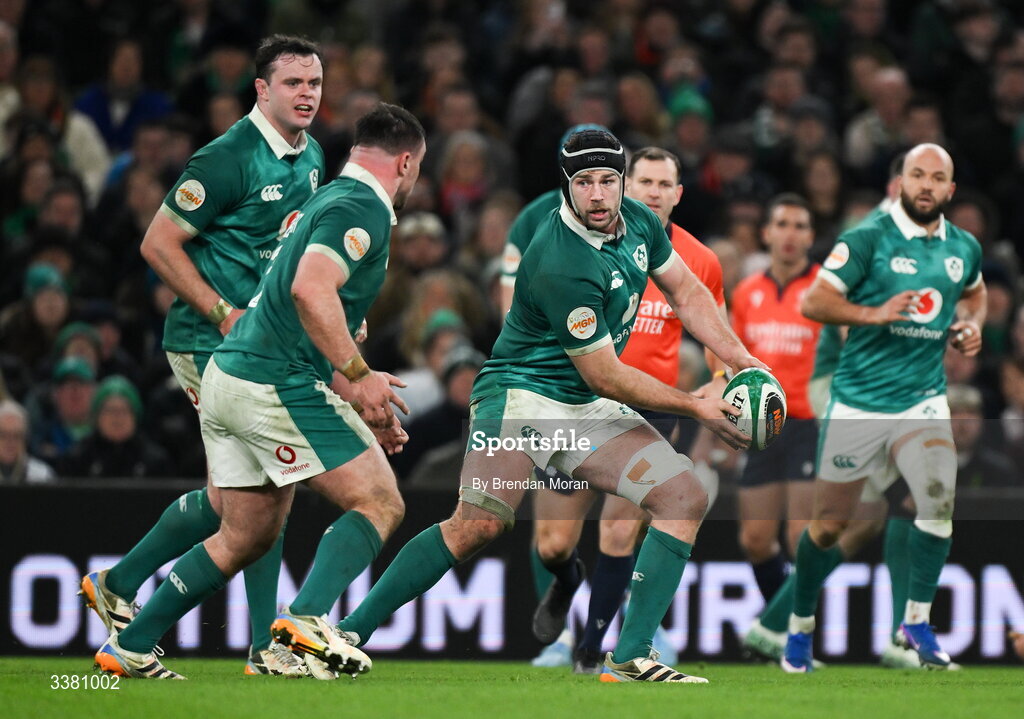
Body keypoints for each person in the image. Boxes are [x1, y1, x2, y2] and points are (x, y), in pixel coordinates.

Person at [329, 128, 762, 684]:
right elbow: (604, 373)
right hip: (520, 397)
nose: (600, 196)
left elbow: (687, 292)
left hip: (582, 404)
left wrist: (743, 360)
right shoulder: (561, 259)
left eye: (610, 181)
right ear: (566, 186)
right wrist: (696, 407)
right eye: (585, 183)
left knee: (684, 496)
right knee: (476, 527)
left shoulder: (642, 223)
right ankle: (349, 632)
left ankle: (631, 656)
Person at [93, 102, 426, 681]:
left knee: (245, 534)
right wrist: (360, 371)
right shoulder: (361, 207)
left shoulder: (323, 198)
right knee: (380, 501)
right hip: (272, 383)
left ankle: (131, 645)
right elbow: (310, 289)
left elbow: (309, 305)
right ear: (405, 162)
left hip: (229, 375)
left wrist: (357, 384)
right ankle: (305, 619)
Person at [81, 35, 327, 678]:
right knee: (271, 485)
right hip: (207, 340)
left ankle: (120, 585)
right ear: (261, 91)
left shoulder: (313, 157)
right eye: (293, 83)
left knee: (242, 497)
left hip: (264, 345)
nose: (307, 94)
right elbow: (158, 243)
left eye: (315, 83)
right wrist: (223, 311)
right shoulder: (226, 158)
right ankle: (264, 647)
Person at [524, 146, 731, 674]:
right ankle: (566, 581)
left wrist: (726, 382)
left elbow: (714, 340)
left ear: (679, 195)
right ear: (624, 187)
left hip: (648, 410)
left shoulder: (700, 261)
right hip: (575, 403)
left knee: (619, 532)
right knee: (553, 543)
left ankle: (593, 650)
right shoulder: (586, 246)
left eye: (666, 184)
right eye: (645, 182)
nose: (655, 192)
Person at [782, 143, 986, 672]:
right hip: (859, 402)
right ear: (901, 183)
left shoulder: (964, 246)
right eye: (916, 174)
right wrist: (872, 314)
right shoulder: (867, 238)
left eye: (936, 177)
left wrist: (971, 327)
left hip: (922, 398)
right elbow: (813, 302)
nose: (925, 184)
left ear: (950, 190)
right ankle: (799, 627)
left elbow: (976, 293)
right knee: (829, 526)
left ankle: (915, 621)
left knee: (938, 500)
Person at [729, 193, 822, 604]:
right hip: (760, 425)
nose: (790, 234)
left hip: (809, 422)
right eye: (782, 224)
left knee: (799, 535)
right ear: (766, 233)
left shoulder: (825, 293)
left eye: (800, 226)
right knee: (754, 539)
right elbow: (731, 361)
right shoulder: (747, 292)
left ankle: (790, 629)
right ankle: (780, 618)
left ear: (811, 237)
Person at [0, 398, 55, 485]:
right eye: (3, 435)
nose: (10, 441)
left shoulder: (42, 476)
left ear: (25, 439)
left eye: (17, 436)